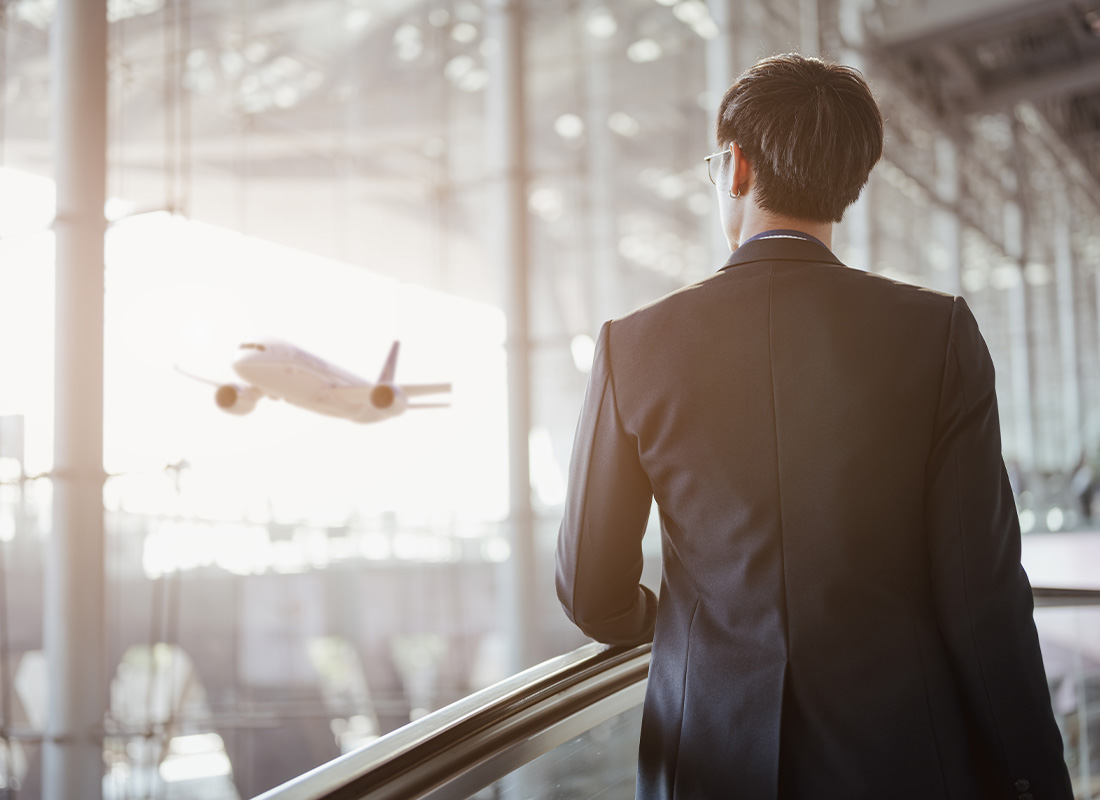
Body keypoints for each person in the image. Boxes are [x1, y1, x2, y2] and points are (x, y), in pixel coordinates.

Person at [555, 53, 1071, 799]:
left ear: (733, 167)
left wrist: (683, 624)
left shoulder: (633, 346)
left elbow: (591, 593)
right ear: (849, 187)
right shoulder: (937, 334)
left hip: (707, 755)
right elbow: (981, 593)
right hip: (900, 759)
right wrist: (1037, 775)